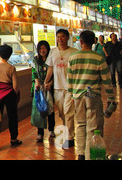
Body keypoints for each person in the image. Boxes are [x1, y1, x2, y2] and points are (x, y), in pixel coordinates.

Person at [67, 30, 115, 160]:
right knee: (93, 126)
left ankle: (81, 153)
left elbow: (69, 81)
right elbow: (107, 80)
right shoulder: (99, 58)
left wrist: (72, 96)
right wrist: (111, 98)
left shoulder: (72, 58)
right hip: (92, 96)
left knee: (80, 124)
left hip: (77, 97)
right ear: (94, 41)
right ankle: (89, 156)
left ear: (81, 42)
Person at [44, 28, 78, 148]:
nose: (60, 39)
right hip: (57, 88)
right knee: (62, 113)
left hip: (70, 87)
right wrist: (46, 82)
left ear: (68, 38)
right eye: (58, 37)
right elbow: (50, 68)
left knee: (68, 112)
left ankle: (70, 138)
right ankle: (68, 130)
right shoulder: (53, 52)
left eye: (63, 36)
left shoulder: (74, 52)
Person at [0, 44, 22, 149]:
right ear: (10, 55)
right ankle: (13, 138)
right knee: (12, 116)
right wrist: (15, 95)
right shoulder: (11, 67)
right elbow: (15, 85)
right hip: (9, 94)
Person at [31, 40, 55, 141]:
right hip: (38, 88)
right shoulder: (35, 60)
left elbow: (55, 74)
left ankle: (51, 130)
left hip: (49, 88)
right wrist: (37, 82)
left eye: (44, 48)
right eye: (40, 48)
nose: (42, 50)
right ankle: (40, 133)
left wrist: (50, 83)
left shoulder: (51, 59)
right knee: (39, 110)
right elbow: (34, 73)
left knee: (50, 109)